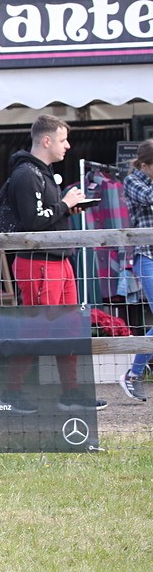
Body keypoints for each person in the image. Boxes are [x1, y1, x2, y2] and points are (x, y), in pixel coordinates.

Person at [0, 114, 106, 412]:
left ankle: (70, 392)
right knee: (37, 329)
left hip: (57, 260)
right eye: (62, 140)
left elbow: (44, 217)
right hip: (39, 262)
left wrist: (66, 208)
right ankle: (11, 392)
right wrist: (66, 204)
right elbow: (32, 222)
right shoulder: (27, 174)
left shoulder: (39, 173)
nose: (68, 146)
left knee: (70, 328)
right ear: (46, 141)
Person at [120, 139, 153, 401]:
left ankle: (134, 373)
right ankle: (133, 373)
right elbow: (149, 197)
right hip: (147, 256)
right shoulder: (133, 181)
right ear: (144, 164)